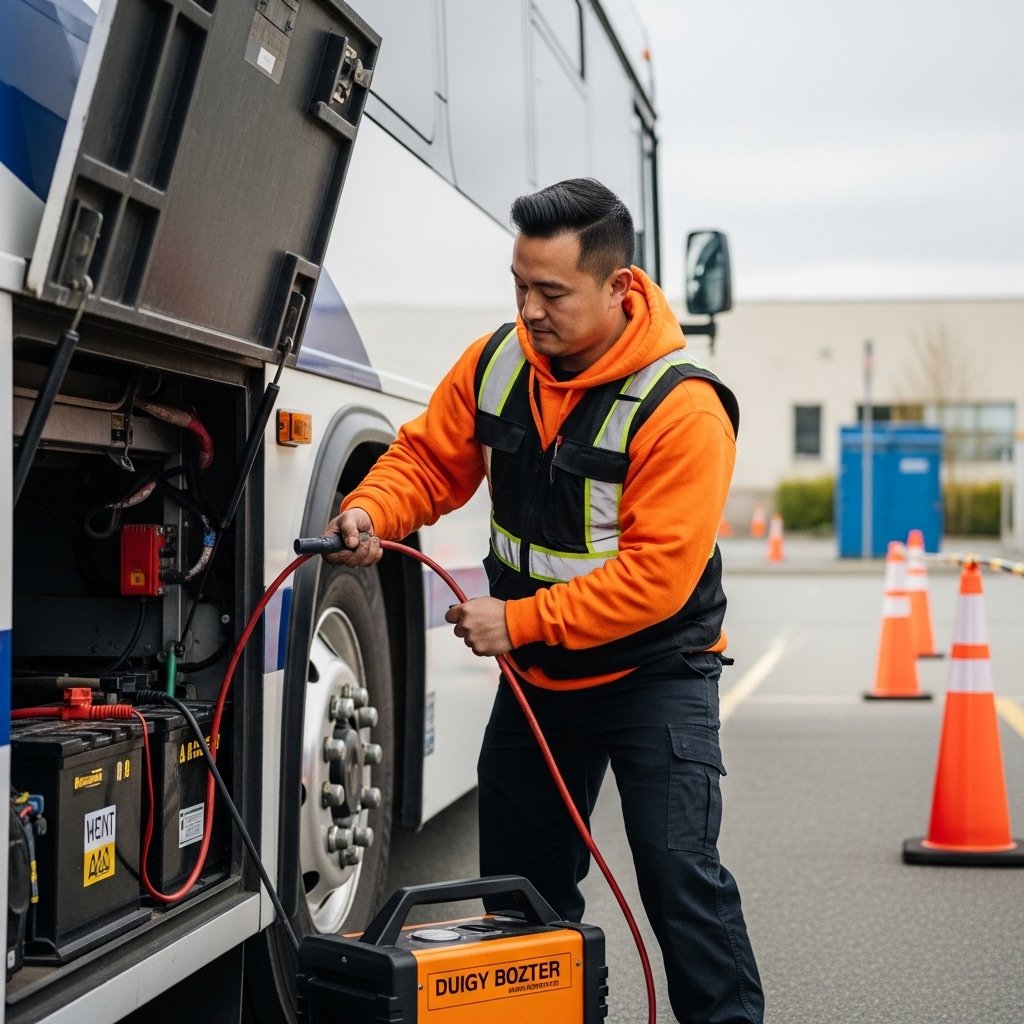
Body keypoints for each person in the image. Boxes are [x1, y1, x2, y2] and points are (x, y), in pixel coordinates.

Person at [322, 177, 764, 1023]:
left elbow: (658, 577)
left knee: (680, 884)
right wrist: (371, 509)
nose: (529, 309)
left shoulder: (683, 409)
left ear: (619, 287)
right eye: (519, 286)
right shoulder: (496, 364)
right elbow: (426, 461)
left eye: (551, 292)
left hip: (655, 678)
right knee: (522, 906)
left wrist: (516, 621)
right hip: (541, 686)